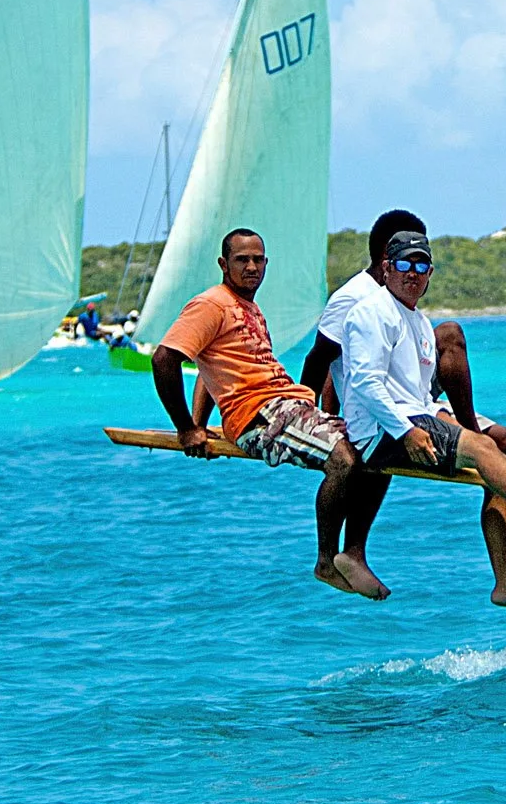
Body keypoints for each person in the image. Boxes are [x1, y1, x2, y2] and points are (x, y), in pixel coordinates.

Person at [337, 227, 506, 615]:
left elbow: (419, 394)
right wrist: (405, 430)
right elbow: (363, 382)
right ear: (386, 268)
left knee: (496, 456)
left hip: (413, 416)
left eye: (422, 265)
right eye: (403, 264)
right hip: (382, 431)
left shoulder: (416, 321)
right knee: (481, 448)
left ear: (430, 273)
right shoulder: (371, 312)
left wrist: (443, 418)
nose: (413, 273)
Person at [151, 228, 386, 601]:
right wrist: (185, 429)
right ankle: (326, 561)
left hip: (288, 404)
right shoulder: (210, 304)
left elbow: (209, 369)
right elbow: (165, 360)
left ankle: (353, 553)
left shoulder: (248, 308)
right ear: (223, 264)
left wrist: (199, 423)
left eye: (258, 259)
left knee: (375, 447)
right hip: (259, 417)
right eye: (242, 259)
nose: (251, 266)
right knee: (343, 460)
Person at [301, 209, 506, 452]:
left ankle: (473, 438)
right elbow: (321, 359)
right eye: (410, 257)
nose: (416, 268)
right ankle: (471, 434)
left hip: (414, 392)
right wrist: (316, 418)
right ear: (387, 257)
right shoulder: (353, 297)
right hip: (380, 403)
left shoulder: (401, 299)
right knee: (448, 334)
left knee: (503, 438)